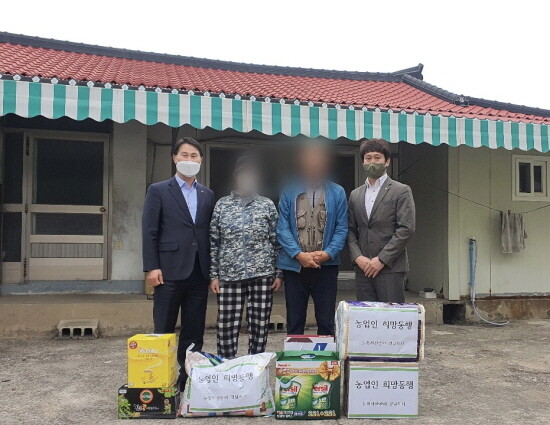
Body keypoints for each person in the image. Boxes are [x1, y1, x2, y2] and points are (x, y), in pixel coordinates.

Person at [142, 137, 214, 390]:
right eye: (184, 155)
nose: (189, 160)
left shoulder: (207, 193)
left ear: (201, 160)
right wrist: (152, 266)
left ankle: (188, 380)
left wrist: (212, 271)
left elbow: (207, 233)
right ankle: (160, 380)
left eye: (194, 156)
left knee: (194, 330)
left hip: (198, 271)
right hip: (168, 270)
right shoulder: (159, 190)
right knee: (163, 327)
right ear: (174, 158)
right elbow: (149, 230)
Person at [209, 155, 283, 358]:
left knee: (259, 326)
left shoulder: (266, 205)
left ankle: (255, 370)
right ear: (236, 176)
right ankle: (227, 368)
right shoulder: (222, 205)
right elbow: (214, 243)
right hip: (229, 276)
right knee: (226, 327)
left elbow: (277, 241)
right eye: (243, 174)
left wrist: (279, 273)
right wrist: (214, 275)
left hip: (262, 275)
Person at [277, 141, 348, 336]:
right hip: (295, 266)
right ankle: (295, 365)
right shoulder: (289, 190)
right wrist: (298, 254)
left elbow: (342, 228)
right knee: (295, 320)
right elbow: (282, 228)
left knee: (326, 322)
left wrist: (328, 253)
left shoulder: (338, 192)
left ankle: (325, 365)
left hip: (326, 266)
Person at [347, 138, 415, 303]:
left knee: (391, 319)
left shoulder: (401, 190)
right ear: (362, 161)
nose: (372, 162)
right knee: (366, 319)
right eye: (368, 158)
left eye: (377, 157)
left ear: (387, 161)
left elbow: (406, 228)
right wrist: (357, 257)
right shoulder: (355, 194)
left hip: (390, 268)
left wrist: (382, 259)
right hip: (363, 268)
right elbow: (350, 229)